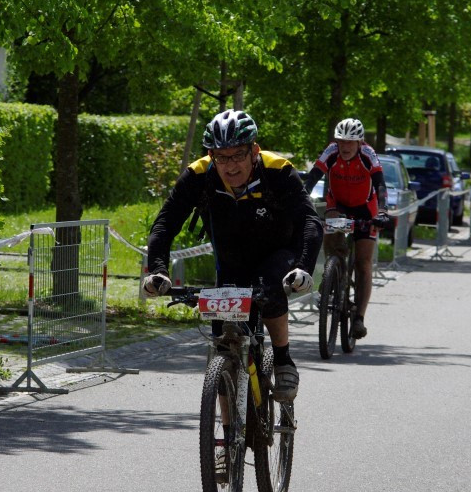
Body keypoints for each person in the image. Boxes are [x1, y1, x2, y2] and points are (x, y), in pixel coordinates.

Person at [142, 110, 323, 402]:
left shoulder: (277, 170)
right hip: (231, 262)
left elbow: (310, 222)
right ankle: (227, 442)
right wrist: (159, 271)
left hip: (279, 253)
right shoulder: (199, 174)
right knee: (224, 350)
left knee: (269, 280)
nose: (230, 165)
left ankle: (283, 359)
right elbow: (165, 224)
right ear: (212, 155)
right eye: (221, 157)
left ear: (254, 150)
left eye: (238, 155)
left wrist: (304, 267)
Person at [302, 118, 388, 340]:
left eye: (350, 143)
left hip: (366, 210)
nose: (345, 147)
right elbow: (313, 177)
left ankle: (358, 318)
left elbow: (380, 184)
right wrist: (299, 201)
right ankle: (333, 276)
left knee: (363, 263)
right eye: (341, 142)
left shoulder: (368, 155)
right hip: (337, 206)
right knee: (332, 243)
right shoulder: (331, 152)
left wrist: (382, 211)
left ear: (360, 142)